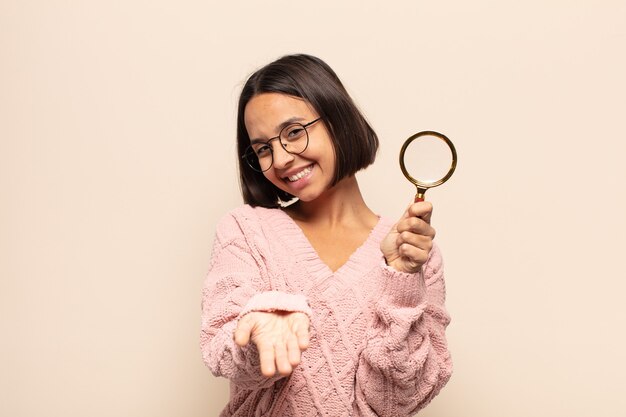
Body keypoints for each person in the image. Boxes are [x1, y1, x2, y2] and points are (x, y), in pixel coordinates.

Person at [200, 54, 452, 416]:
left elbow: (397, 400)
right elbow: (222, 350)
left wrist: (401, 282)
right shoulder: (244, 230)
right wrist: (258, 326)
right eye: (263, 149)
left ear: (338, 119)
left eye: (293, 132)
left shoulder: (415, 255)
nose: (282, 159)